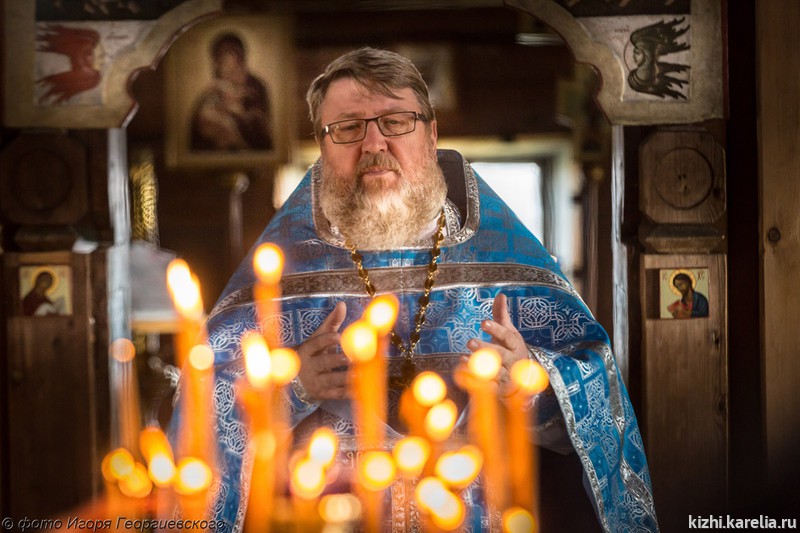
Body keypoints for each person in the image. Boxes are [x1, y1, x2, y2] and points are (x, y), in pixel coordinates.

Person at [177, 48, 658, 532]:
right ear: (322, 146)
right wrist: (293, 386)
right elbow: (201, 406)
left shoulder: (503, 262)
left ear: (430, 135)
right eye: (348, 127)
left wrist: (532, 383)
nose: (373, 143)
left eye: (396, 121)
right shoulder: (281, 272)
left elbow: (598, 394)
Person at [190, 32, 273, 151]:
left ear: (240, 62)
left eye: (231, 66)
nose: (226, 71)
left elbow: (262, 133)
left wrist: (237, 113)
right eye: (220, 63)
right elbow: (196, 135)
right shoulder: (211, 91)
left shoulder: (256, 89)